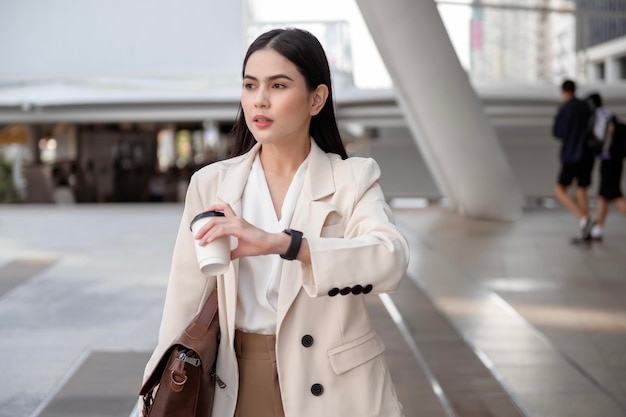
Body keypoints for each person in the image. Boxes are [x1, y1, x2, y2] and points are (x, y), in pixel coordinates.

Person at [141, 28, 410, 417]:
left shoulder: (353, 178)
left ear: (316, 99)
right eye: (250, 86)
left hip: (338, 388)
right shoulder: (213, 184)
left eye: (278, 85)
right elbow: (183, 302)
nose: (259, 100)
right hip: (236, 381)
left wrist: (285, 244)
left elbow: (391, 259)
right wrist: (153, 395)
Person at [552, 79, 595, 242]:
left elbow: (558, 132)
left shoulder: (566, 108)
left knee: (559, 190)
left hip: (572, 155)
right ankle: (585, 229)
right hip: (588, 155)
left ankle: (583, 218)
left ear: (563, 91)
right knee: (581, 189)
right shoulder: (586, 106)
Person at [585, 92, 626, 242]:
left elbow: (599, 139)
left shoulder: (600, 117)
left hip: (610, 162)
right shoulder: (610, 115)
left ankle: (597, 229)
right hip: (612, 161)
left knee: (615, 196)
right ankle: (598, 229)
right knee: (602, 196)